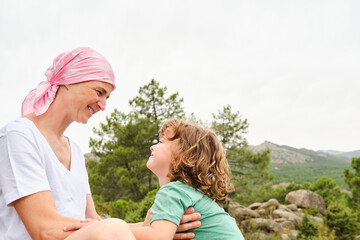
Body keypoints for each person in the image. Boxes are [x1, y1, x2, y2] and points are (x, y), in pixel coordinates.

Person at [0, 47, 200, 240]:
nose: (103, 105)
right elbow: (46, 230)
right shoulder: (20, 135)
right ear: (69, 81)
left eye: (107, 97)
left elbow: (91, 221)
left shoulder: (75, 151)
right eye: (99, 92)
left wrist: (152, 227)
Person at [64, 118, 245, 240]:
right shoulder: (187, 194)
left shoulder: (173, 192)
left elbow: (157, 236)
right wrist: (102, 224)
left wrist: (98, 231)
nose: (152, 146)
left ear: (184, 155)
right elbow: (147, 226)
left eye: (161, 143)